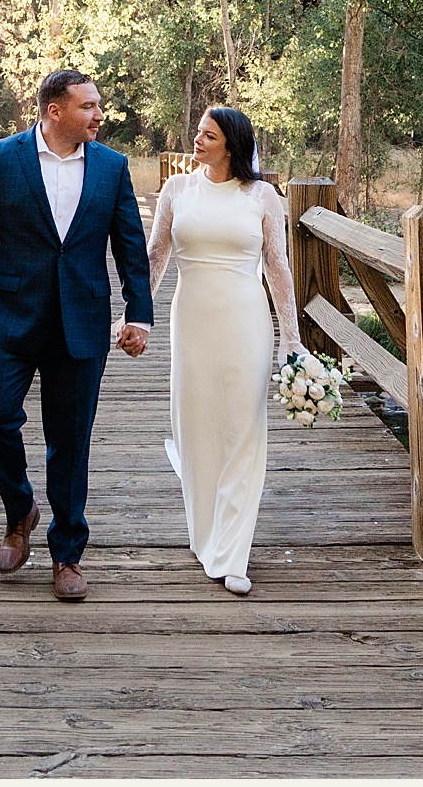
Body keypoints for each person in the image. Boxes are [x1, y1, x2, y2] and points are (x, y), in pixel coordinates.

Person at [0, 69, 154, 601]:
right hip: (8, 318)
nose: (99, 114)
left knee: (70, 441)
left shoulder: (112, 167)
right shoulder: (0, 157)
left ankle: (67, 554)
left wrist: (140, 314)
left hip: (80, 322)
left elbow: (130, 245)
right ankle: (20, 510)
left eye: (98, 104)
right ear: (54, 111)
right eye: (88, 106)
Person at [147, 105, 298, 595]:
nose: (197, 141)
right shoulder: (177, 191)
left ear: (231, 144)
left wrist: (290, 340)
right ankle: (205, 533)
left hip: (245, 320)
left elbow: (277, 268)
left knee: (242, 427)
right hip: (191, 320)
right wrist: (136, 315)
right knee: (196, 429)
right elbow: (156, 257)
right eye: (197, 133)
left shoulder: (262, 196)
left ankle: (233, 554)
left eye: (207, 135)